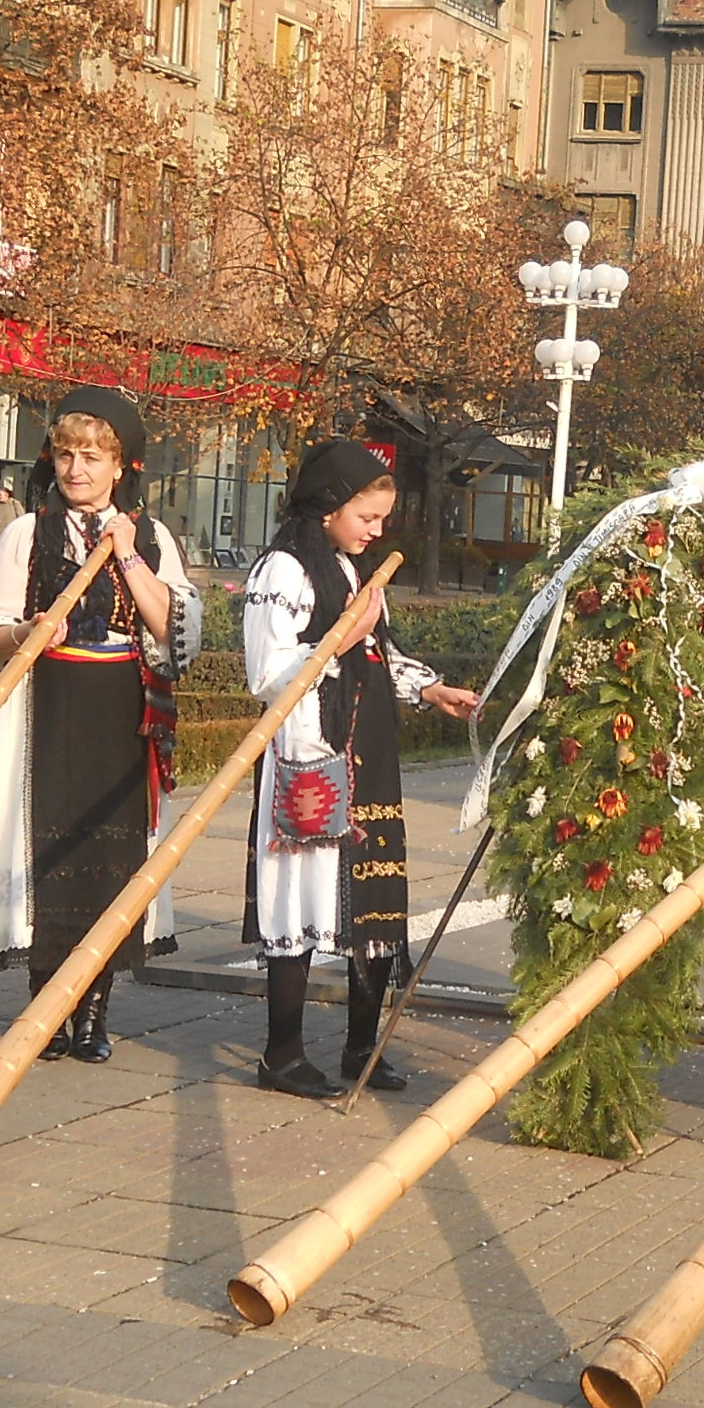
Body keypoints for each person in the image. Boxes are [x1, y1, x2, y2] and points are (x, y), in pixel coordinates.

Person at [0, 387, 202, 1064]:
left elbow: (177, 636)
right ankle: (47, 1005)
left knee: (111, 858)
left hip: (121, 709)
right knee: (46, 852)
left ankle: (95, 1009)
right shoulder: (24, 534)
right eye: (66, 455)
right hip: (49, 704)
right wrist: (27, 631)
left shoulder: (152, 537)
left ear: (121, 467)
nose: (77, 470)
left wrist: (127, 554)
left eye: (93, 458)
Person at [243, 441, 481, 1099]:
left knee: (373, 892)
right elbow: (266, 673)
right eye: (367, 518)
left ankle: (360, 1047)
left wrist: (430, 690)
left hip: (369, 748)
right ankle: (282, 1053)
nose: (377, 532)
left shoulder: (353, 569)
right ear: (327, 507)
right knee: (298, 896)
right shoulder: (282, 570)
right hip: (311, 754)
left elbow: (380, 650)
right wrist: (336, 640)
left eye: (382, 520)